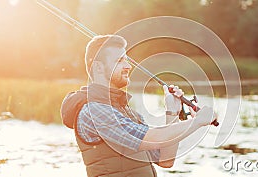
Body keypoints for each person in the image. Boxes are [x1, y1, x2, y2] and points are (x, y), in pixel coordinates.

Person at [60, 35, 217, 177]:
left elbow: (165, 159)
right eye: (119, 61)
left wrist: (173, 112)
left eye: (127, 60)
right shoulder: (94, 112)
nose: (128, 66)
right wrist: (197, 121)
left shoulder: (128, 113)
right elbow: (153, 138)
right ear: (98, 68)